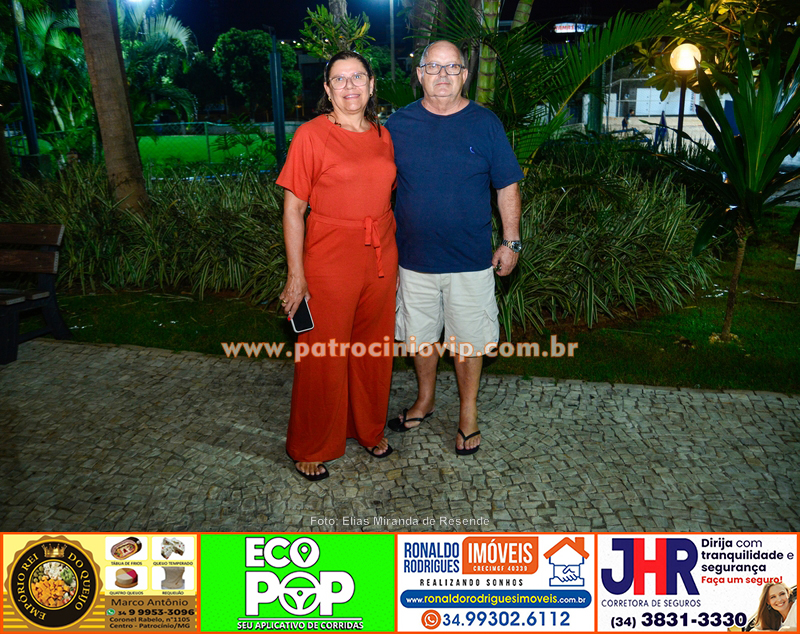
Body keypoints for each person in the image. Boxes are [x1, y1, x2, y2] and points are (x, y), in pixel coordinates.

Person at [384, 40, 523, 455]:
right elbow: (376, 185)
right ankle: (424, 400)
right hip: (413, 261)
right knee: (420, 339)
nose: (442, 75)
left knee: (468, 342)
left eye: (452, 67)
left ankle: (467, 413)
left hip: (470, 261)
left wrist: (511, 241)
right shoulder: (398, 125)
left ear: (465, 74)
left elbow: (507, 185)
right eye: (433, 66)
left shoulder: (485, 123)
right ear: (419, 74)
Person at [277, 50, 397, 481]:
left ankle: (366, 428)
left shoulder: (383, 135)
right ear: (327, 89)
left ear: (371, 84)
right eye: (339, 79)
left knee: (373, 350)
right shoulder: (310, 135)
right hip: (329, 257)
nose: (350, 86)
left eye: (358, 77)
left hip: (380, 255)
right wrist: (296, 275)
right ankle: (311, 444)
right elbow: (293, 210)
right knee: (323, 354)